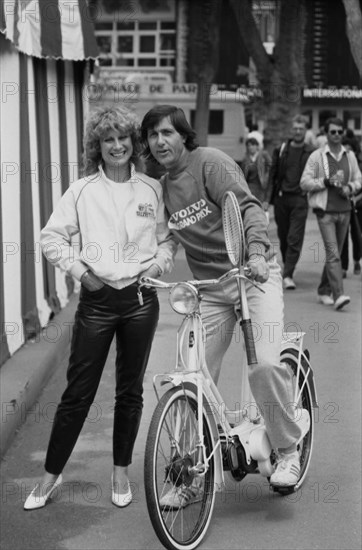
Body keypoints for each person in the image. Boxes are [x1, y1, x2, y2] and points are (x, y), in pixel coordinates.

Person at [141, 105, 310, 501]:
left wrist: (255, 253)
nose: (160, 141)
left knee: (264, 365)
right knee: (192, 376)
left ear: (184, 135)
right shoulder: (160, 186)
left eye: (167, 132)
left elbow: (248, 208)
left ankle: (287, 450)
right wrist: (146, 268)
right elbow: (165, 238)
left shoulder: (211, 164)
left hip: (252, 275)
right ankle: (191, 475)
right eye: (152, 135)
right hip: (211, 288)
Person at [24, 106, 176, 510]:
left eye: (123, 138)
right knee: (78, 392)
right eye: (107, 139)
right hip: (98, 301)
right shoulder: (81, 191)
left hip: (141, 299)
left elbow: (167, 240)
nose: (116, 146)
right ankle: (49, 478)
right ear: (98, 146)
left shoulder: (152, 189)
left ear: (133, 143)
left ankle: (120, 472)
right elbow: (51, 238)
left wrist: (158, 264)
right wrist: (81, 273)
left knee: (130, 391)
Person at [300, 117, 362, 310]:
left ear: (343, 133)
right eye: (332, 131)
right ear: (326, 133)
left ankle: (323, 290)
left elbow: (359, 179)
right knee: (334, 254)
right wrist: (324, 182)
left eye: (339, 132)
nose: (336, 135)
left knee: (333, 254)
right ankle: (339, 295)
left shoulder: (349, 156)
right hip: (325, 212)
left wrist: (350, 187)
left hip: (345, 211)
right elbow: (304, 182)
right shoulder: (317, 156)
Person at [269, 114, 315, 290]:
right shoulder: (281, 149)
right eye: (295, 128)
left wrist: (310, 189)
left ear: (306, 130)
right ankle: (289, 267)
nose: (297, 131)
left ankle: (287, 274)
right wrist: (266, 200)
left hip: (299, 199)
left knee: (294, 237)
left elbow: (319, 173)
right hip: (281, 198)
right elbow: (272, 174)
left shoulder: (312, 152)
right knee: (283, 237)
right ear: (291, 129)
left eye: (301, 129)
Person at [340, 135, 362, 277]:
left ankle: (356, 260)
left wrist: (356, 198)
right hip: (343, 204)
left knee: (357, 235)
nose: (347, 152)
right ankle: (343, 267)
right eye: (345, 149)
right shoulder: (339, 165)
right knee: (343, 236)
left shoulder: (359, 166)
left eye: (350, 149)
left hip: (359, 205)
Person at [239, 137, 272, 220]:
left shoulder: (263, 155)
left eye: (253, 145)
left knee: (261, 212)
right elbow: (242, 176)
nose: (251, 147)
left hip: (261, 187)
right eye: (249, 145)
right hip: (249, 188)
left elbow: (271, 168)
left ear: (257, 146)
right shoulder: (246, 159)